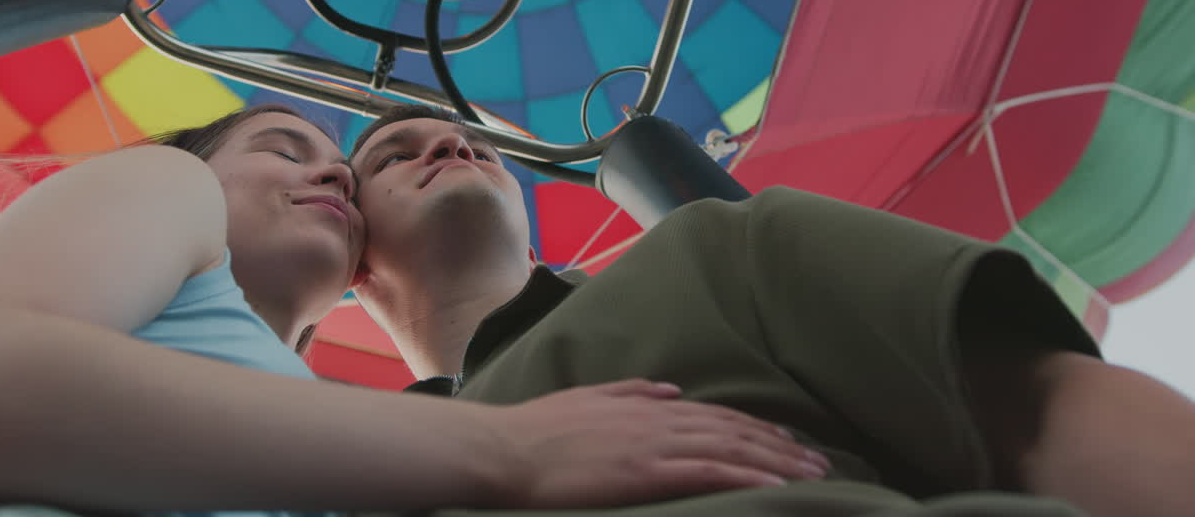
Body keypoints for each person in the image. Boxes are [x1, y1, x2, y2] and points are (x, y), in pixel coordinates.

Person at [0, 104, 826, 516]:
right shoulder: (171, 185)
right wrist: (509, 453)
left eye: (348, 186)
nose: (326, 175)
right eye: (283, 147)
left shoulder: (309, 423)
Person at [346, 104, 1195, 517]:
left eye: (477, 146)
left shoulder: (718, 251)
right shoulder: (343, 476)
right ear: (350, 262)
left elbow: (1043, 409)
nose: (450, 145)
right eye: (393, 156)